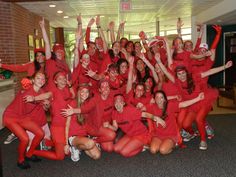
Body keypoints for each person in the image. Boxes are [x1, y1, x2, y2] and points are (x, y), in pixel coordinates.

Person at [156, 53, 233, 150]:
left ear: (186, 72)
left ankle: (203, 140)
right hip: (192, 105)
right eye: (179, 74)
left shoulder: (194, 76)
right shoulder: (177, 82)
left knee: (199, 119)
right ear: (176, 75)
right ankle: (193, 133)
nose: (182, 76)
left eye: (183, 73)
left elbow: (209, 72)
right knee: (185, 124)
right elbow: (166, 72)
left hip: (202, 101)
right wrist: (159, 61)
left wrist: (225, 67)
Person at [2, 72, 51, 169]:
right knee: (25, 139)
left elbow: (46, 101)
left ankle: (29, 154)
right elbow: (29, 102)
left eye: (43, 79)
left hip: (23, 117)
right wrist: (40, 100)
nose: (41, 80)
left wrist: (46, 104)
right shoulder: (27, 90)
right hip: (10, 116)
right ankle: (20, 160)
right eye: (38, 78)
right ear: (33, 80)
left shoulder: (41, 91)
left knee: (40, 133)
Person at [61, 79, 116, 152]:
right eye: (103, 87)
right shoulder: (95, 99)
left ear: (110, 89)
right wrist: (73, 110)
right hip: (94, 127)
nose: (105, 88)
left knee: (109, 148)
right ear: (99, 90)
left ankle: (94, 140)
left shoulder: (111, 98)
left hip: (103, 126)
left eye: (107, 86)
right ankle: (94, 141)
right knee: (112, 135)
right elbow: (85, 109)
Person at [147, 90, 204, 155]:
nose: (159, 99)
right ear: (154, 99)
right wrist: (153, 117)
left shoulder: (170, 106)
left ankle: (174, 144)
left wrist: (198, 98)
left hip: (170, 135)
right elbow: (142, 112)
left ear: (165, 99)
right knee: (153, 150)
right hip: (158, 135)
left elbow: (183, 104)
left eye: (161, 97)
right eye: (157, 97)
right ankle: (164, 144)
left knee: (163, 151)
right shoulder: (152, 107)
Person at [63, 84, 101, 162]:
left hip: (84, 135)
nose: (85, 94)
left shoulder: (87, 104)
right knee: (90, 143)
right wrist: (66, 143)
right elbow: (67, 125)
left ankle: (80, 147)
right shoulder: (73, 103)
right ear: (78, 92)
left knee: (97, 156)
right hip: (73, 136)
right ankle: (74, 147)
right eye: (82, 91)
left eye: (87, 92)